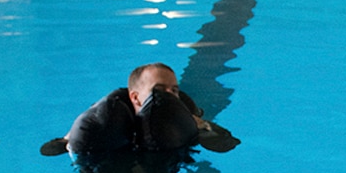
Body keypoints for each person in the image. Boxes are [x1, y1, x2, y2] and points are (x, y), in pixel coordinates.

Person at [41, 63, 238, 159]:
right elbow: (51, 149)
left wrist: (202, 126)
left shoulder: (184, 111)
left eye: (174, 90)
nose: (169, 95)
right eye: (159, 90)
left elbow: (227, 145)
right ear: (135, 97)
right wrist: (67, 142)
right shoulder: (108, 115)